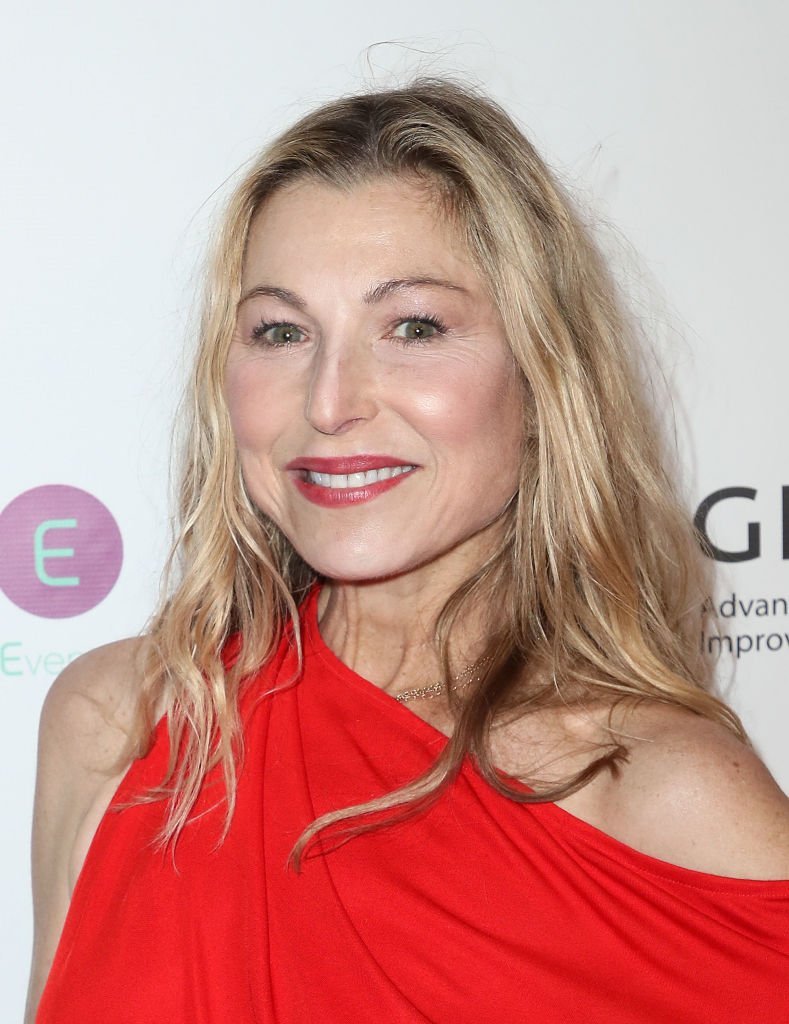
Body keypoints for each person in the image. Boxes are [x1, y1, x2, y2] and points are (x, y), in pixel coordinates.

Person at [27, 79, 789, 1023]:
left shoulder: (657, 792)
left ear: (544, 375)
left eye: (413, 327)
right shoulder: (118, 726)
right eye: (281, 331)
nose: (328, 400)